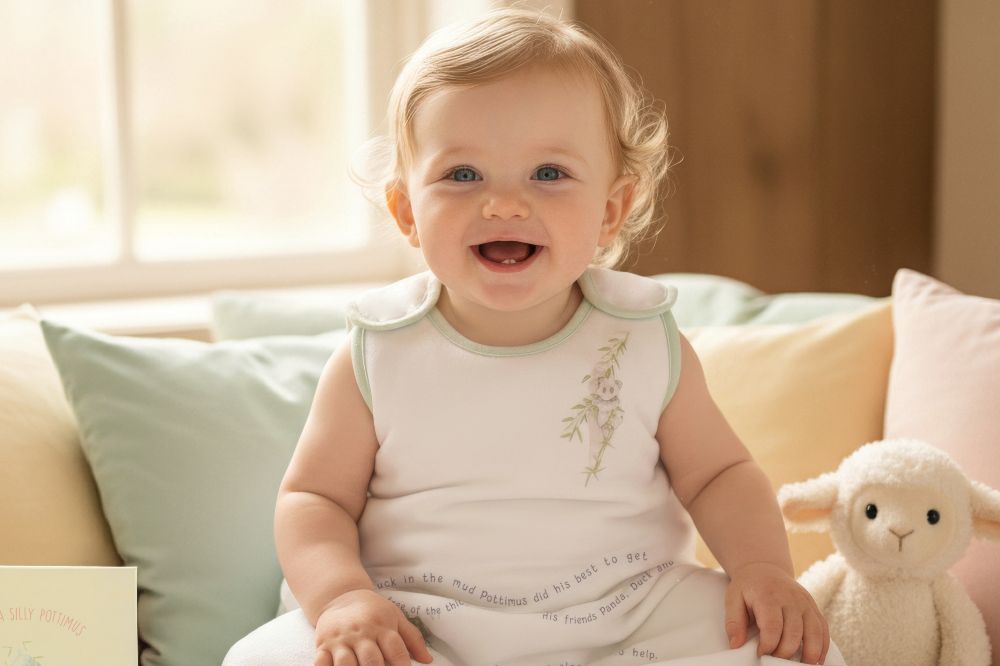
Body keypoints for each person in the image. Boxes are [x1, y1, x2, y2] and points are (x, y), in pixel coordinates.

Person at [224, 6, 847, 666]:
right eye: (462, 175)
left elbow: (721, 474)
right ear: (407, 210)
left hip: (627, 613)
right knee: (261, 661)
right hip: (417, 620)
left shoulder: (640, 339)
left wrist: (762, 569)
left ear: (612, 209)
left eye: (549, 174)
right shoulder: (378, 351)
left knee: (799, 653)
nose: (504, 204)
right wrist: (344, 597)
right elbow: (313, 499)